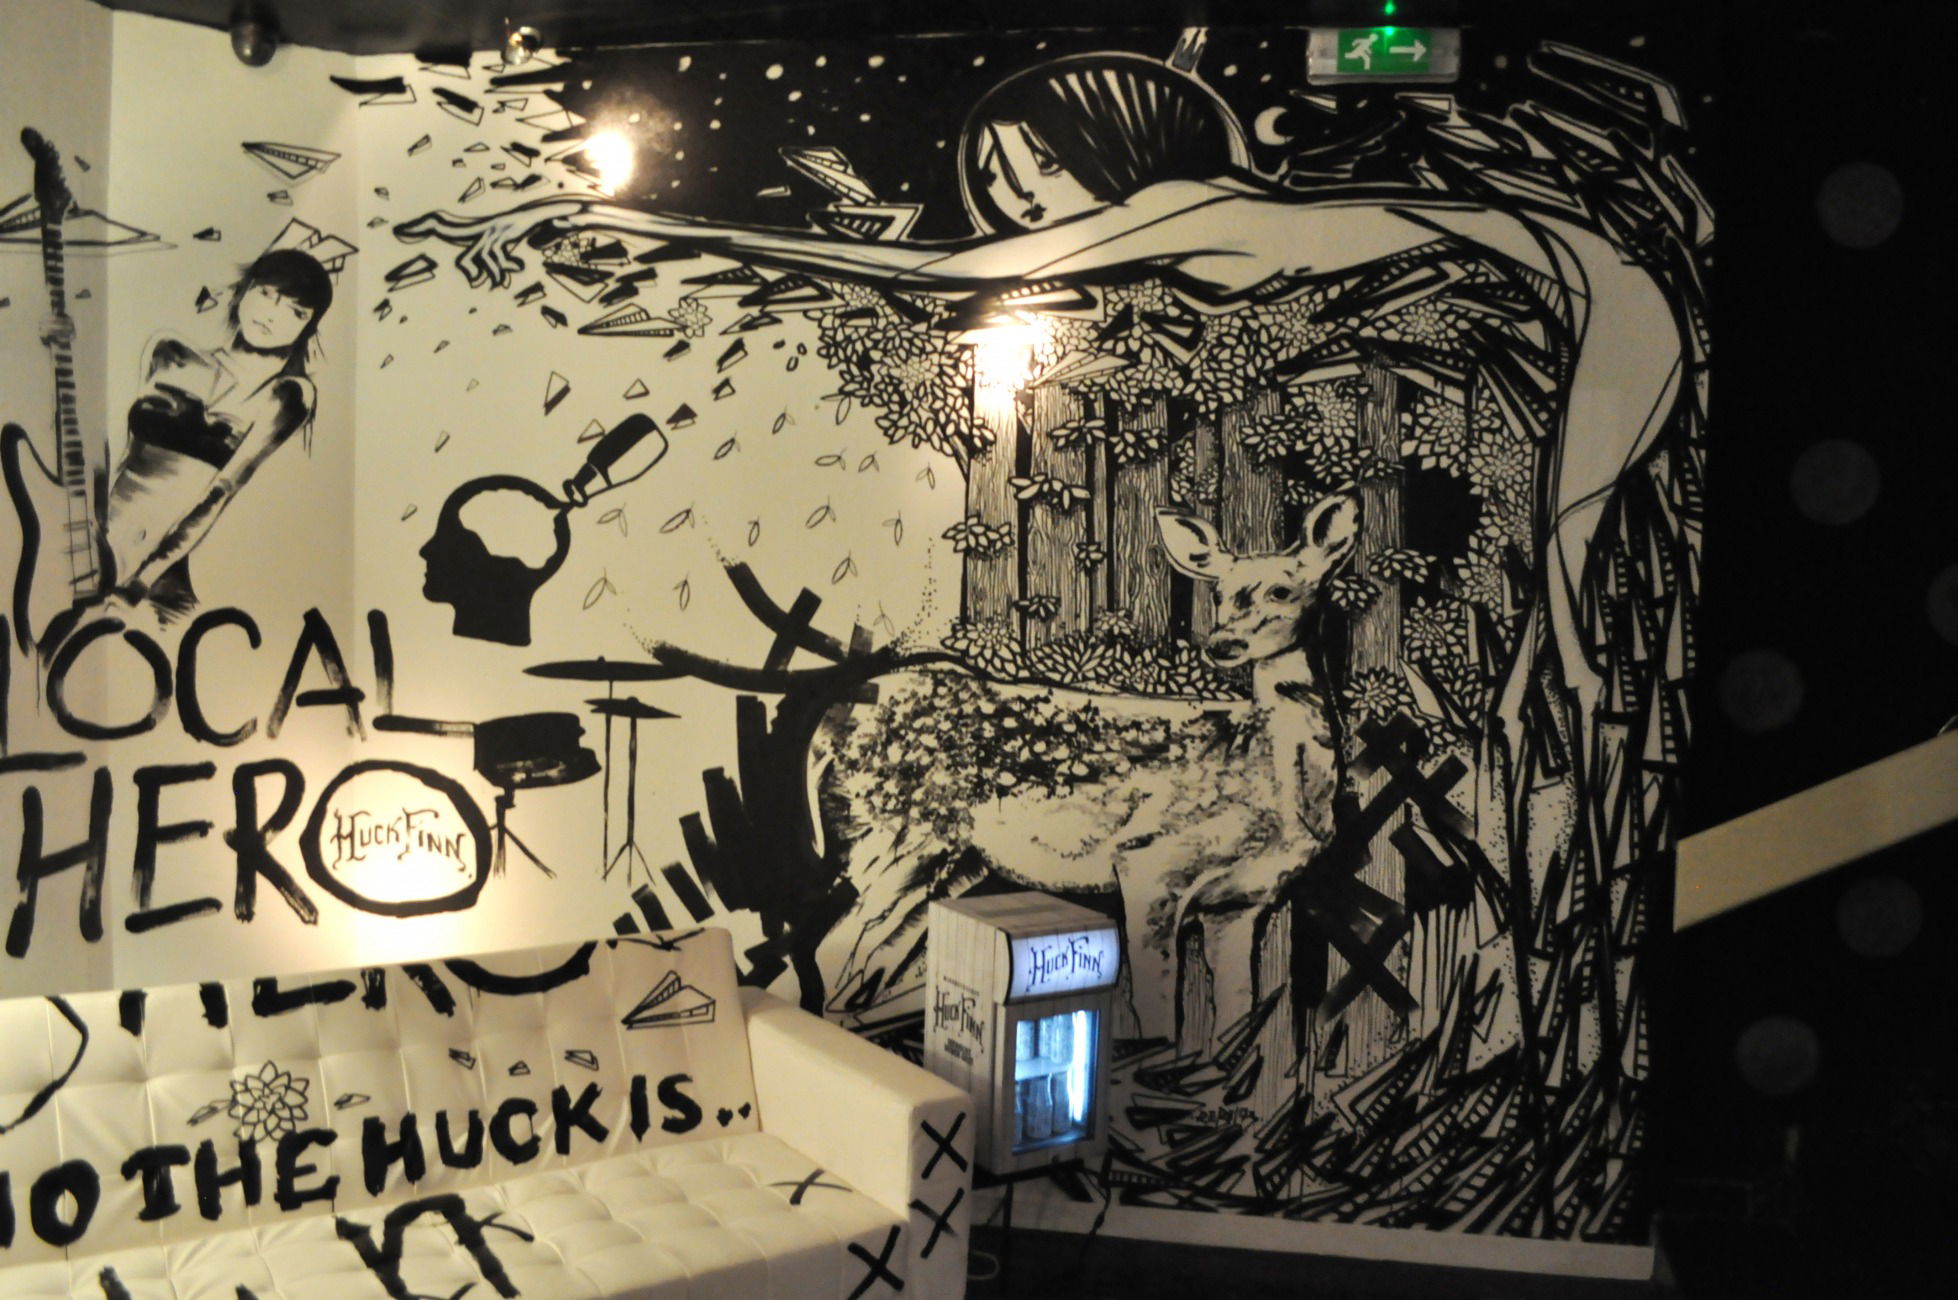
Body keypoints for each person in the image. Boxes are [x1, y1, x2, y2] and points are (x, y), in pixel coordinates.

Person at [397, 51, 1684, 755]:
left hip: (1609, 300)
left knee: (1567, 582)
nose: (1015, 205)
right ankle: (1551, 724)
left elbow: (937, 271)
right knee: (1559, 593)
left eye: (1032, 170)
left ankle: (1563, 734)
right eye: (1001, 181)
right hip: (1579, 287)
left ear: (1103, 147)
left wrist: (623, 216)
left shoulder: (1177, 208)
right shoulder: (1196, 228)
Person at [105, 247, 333, 619]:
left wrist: (137, 585)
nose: (271, 315)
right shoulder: (170, 352)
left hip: (150, 580)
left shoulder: (288, 394)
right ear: (243, 290)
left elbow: (220, 494)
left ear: (307, 328)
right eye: (266, 294)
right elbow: (117, 455)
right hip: (95, 543)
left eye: (296, 312)